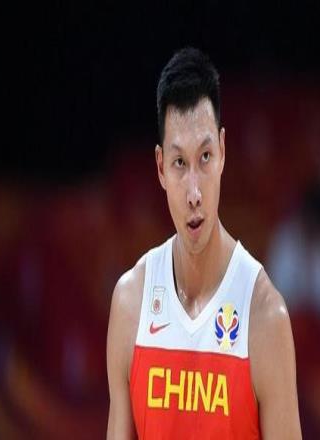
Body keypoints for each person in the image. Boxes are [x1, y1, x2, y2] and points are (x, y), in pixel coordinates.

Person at [106, 47, 302, 439]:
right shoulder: (131, 303)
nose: (194, 193)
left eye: (206, 157)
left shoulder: (265, 317)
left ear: (224, 152)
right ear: (160, 168)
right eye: (180, 163)